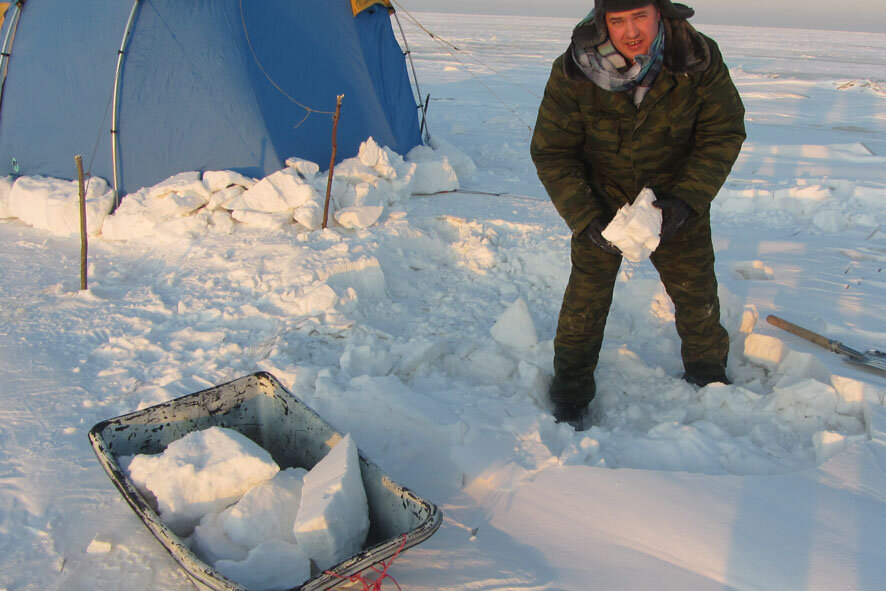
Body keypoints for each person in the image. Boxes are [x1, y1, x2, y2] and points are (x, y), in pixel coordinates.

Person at [530, 0, 746, 428]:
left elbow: (723, 132)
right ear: (600, 22)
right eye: (617, 20)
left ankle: (710, 381)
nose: (631, 32)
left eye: (640, 17)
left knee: (697, 295)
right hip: (601, 199)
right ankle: (570, 396)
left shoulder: (696, 58)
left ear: (660, 13)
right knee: (584, 303)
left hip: (675, 198)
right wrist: (585, 217)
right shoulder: (574, 70)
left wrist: (686, 200)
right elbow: (552, 151)